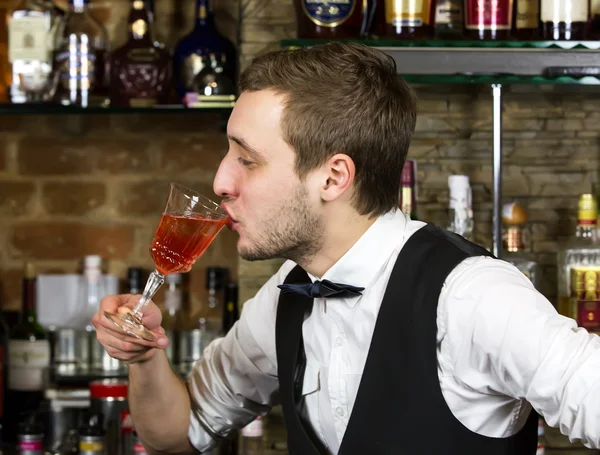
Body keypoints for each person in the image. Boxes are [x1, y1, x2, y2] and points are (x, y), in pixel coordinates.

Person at [93, 42, 600, 455]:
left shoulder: (473, 297)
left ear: (334, 177)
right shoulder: (285, 294)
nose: (220, 180)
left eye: (247, 160)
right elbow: (177, 435)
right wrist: (143, 359)